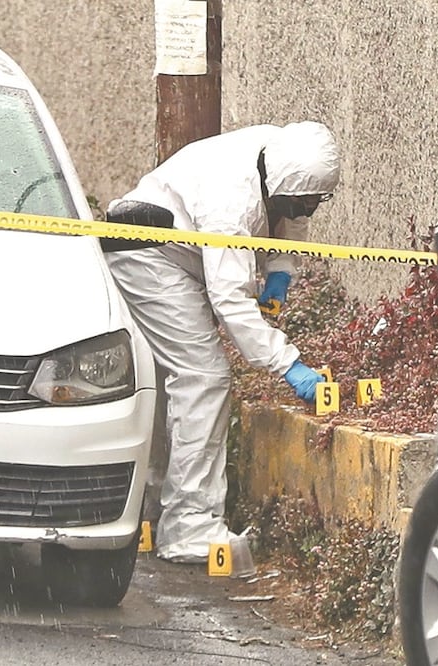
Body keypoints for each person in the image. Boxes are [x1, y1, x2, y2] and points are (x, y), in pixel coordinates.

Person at [103, 121, 340, 563]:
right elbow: (230, 299)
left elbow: (289, 219)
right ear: (279, 185)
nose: (305, 210)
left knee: (166, 383)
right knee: (203, 378)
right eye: (300, 201)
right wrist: (288, 364)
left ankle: (146, 514)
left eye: (313, 202)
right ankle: (189, 527)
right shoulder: (230, 202)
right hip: (149, 257)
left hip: (174, 250)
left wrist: (280, 271)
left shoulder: (281, 156)